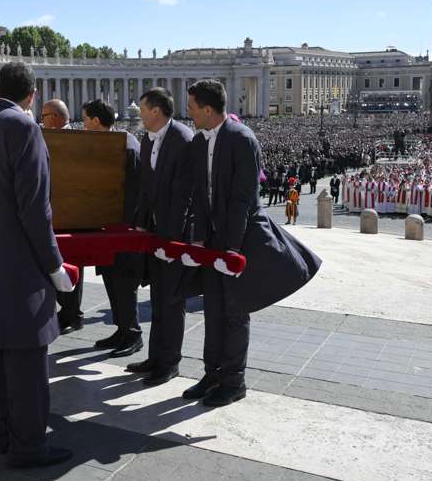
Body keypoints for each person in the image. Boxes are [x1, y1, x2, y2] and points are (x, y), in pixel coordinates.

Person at [0, 63, 74, 467]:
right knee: (27, 359)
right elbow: (34, 208)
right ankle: (29, 445)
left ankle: (4, 434)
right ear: (32, 94)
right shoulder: (24, 128)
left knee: (1, 356)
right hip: (19, 262)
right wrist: (54, 265)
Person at [183, 80, 321, 406]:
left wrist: (231, 249)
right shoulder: (201, 142)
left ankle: (234, 381)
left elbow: (243, 199)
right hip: (215, 239)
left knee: (234, 311)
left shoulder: (242, 139)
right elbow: (201, 196)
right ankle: (212, 372)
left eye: (191, 107)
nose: (188, 114)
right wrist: (201, 240)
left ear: (207, 108)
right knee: (213, 308)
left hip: (241, 238)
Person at [126, 87, 194, 387]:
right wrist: (141, 225)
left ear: (156, 110)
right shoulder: (146, 138)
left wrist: (171, 240)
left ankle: (170, 363)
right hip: (153, 233)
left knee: (172, 301)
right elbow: (145, 187)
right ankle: (155, 357)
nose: (138, 113)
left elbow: (185, 195)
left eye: (142, 108)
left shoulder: (182, 138)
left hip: (174, 235)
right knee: (157, 299)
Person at [82, 99, 143, 357]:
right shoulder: (108, 143)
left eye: (85, 121)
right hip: (107, 225)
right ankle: (121, 329)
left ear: (96, 121)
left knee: (123, 280)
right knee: (110, 277)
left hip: (123, 226)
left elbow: (135, 190)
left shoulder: (125, 144)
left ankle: (133, 333)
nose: (84, 126)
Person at [39, 98, 86, 334]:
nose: (42, 122)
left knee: (71, 262)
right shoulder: (49, 137)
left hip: (73, 212)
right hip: (56, 211)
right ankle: (66, 310)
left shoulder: (78, 140)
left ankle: (72, 313)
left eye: (45, 117)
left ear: (56, 118)